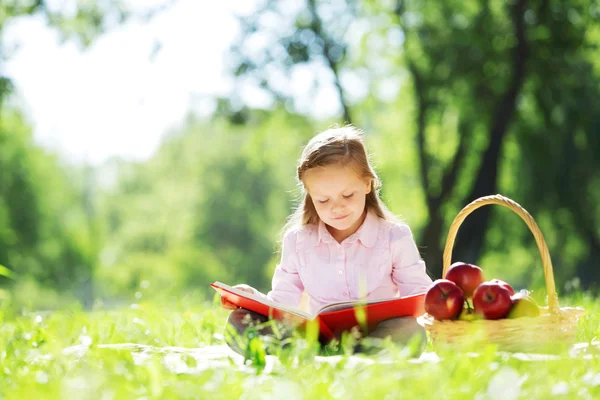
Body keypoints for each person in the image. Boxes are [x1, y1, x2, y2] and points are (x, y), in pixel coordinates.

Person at [221, 125, 433, 356]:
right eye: (323, 200)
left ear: (367, 183)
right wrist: (252, 298)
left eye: (347, 195)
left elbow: (420, 294)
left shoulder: (394, 237)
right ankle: (311, 351)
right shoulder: (298, 241)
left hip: (375, 335)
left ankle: (353, 355)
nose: (337, 207)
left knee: (409, 330)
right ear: (310, 195)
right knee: (240, 322)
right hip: (314, 337)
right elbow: (283, 303)